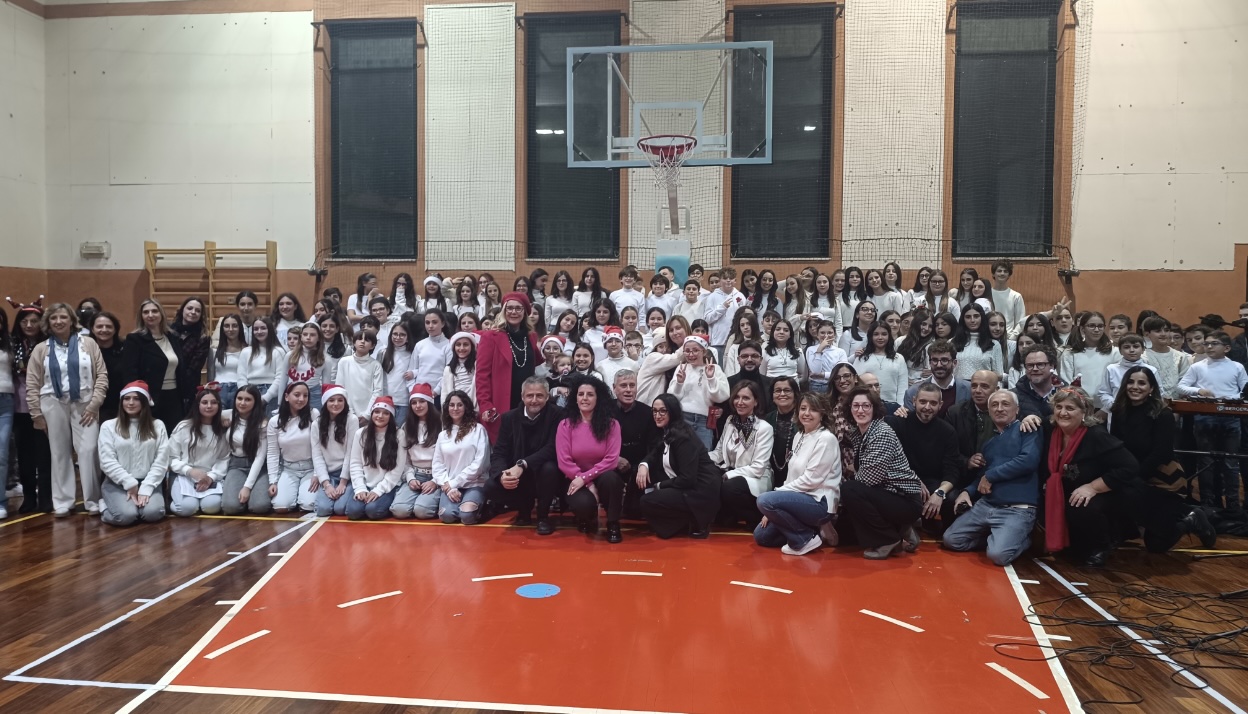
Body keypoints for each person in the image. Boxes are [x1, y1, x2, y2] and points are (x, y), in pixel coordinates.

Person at [1110, 366, 1217, 551]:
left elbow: (1162, 453)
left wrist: (1134, 477)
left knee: (1156, 546)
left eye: (1142, 383)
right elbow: (1117, 447)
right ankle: (1131, 527)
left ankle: (1191, 517)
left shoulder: (1163, 414)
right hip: (1133, 475)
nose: (1135, 387)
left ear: (1151, 388)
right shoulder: (1119, 411)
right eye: (1131, 382)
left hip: (1163, 478)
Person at [941, 390, 1042, 566]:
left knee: (998, 556)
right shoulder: (989, 444)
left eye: (1005, 404)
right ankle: (997, 539)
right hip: (987, 505)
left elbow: (1028, 461)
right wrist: (967, 492)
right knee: (951, 540)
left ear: (1017, 409)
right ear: (989, 411)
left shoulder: (1027, 429)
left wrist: (990, 475)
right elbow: (982, 477)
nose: (999, 408)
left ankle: (1024, 541)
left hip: (1017, 509)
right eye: (994, 405)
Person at [1042, 387, 1140, 567]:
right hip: (1068, 490)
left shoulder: (1096, 435)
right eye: (1058, 407)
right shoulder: (1051, 430)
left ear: (1084, 412)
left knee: (1080, 505)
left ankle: (1102, 546)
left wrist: (1093, 487)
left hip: (1106, 492)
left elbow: (1130, 466)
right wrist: (1029, 417)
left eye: (1070, 408)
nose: (1062, 413)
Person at [27, 303, 108, 516]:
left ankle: (92, 500)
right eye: (53, 318)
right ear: (48, 323)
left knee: (89, 450)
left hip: (86, 403)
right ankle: (63, 501)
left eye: (63, 317)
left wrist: (95, 404)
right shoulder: (41, 348)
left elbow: (101, 375)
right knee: (59, 452)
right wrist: (36, 414)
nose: (58, 321)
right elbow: (32, 383)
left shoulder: (88, 343)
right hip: (52, 403)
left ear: (72, 320)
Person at [838, 387, 925, 559]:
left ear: (874, 409)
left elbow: (869, 479)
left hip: (905, 499)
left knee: (850, 490)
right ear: (850, 409)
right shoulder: (859, 432)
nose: (860, 410)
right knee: (844, 533)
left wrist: (850, 479)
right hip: (888, 494)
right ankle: (901, 528)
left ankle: (888, 539)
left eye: (866, 406)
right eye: (856, 406)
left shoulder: (881, 433)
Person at [753, 392, 840, 556]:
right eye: (803, 408)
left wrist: (775, 497)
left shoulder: (826, 438)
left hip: (820, 502)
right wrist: (773, 508)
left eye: (813, 409)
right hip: (799, 499)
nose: (807, 413)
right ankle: (813, 530)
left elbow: (811, 480)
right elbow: (791, 477)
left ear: (822, 414)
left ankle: (805, 537)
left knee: (764, 500)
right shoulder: (799, 435)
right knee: (762, 536)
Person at [482, 376, 564, 533]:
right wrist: (502, 475)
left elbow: (553, 448)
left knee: (550, 468)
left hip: (545, 475)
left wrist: (523, 464)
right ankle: (523, 511)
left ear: (547, 397)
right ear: (522, 396)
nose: (534, 400)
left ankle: (543, 516)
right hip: (519, 476)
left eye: (539, 396)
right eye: (530, 395)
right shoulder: (508, 418)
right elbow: (499, 452)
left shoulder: (558, 414)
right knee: (491, 487)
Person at [1177, 330, 1248, 511]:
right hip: (1204, 418)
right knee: (1205, 462)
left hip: (1231, 417)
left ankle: (1232, 504)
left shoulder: (1237, 367)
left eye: (1214, 343)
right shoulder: (1197, 367)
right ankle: (1207, 502)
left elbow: (1245, 390)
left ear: (1227, 348)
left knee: (1231, 462)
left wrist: (1234, 398)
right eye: (1206, 343)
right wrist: (1198, 391)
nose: (1209, 346)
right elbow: (1181, 387)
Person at [637, 394, 723, 538]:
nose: (657, 415)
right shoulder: (668, 430)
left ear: (673, 412)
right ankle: (681, 523)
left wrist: (660, 485)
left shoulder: (683, 437)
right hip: (686, 484)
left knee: (647, 501)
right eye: (654, 411)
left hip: (699, 491)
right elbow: (655, 452)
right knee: (641, 482)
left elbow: (688, 479)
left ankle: (694, 521)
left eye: (662, 411)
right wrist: (643, 465)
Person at [886, 383, 962, 536]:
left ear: (940, 405)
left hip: (932, 484)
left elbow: (952, 471)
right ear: (914, 401)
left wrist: (939, 493)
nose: (927, 407)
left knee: (952, 497)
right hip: (902, 478)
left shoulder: (947, 431)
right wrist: (912, 479)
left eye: (933, 403)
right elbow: (888, 461)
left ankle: (945, 534)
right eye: (923, 402)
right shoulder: (898, 423)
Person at [556, 377, 624, 541]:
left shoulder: (612, 425)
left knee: (612, 480)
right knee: (583, 504)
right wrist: (587, 483)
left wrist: (586, 478)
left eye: (590, 394)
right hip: (575, 477)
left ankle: (613, 523)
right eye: (581, 394)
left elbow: (611, 460)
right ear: (575, 398)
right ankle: (587, 517)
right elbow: (564, 462)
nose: (585, 398)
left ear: (598, 398)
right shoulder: (565, 425)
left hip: (601, 476)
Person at [97, 381, 169, 526]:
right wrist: (129, 483)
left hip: (149, 481)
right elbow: (107, 461)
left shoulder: (158, 425)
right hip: (118, 483)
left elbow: (161, 460)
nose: (130, 403)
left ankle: (134, 507)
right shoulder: (108, 426)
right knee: (126, 516)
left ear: (145, 402)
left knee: (153, 513)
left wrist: (147, 487)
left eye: (136, 399)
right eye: (126, 398)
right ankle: (105, 506)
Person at [477, 291, 543, 442]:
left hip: (527, 401)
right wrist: (485, 404)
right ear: (504, 311)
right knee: (504, 445)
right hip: (502, 401)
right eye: (510, 308)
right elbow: (482, 375)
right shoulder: (490, 337)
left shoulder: (531, 337)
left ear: (525, 312)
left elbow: (537, 361)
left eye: (518, 308)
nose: (514, 312)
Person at [710, 381, 774, 528]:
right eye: (737, 397)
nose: (740, 402)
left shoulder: (764, 428)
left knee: (730, 487)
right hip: (731, 472)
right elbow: (719, 453)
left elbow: (758, 467)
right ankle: (729, 514)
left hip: (755, 477)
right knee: (708, 477)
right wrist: (700, 458)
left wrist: (729, 474)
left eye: (746, 398)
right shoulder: (730, 421)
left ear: (756, 401)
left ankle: (756, 518)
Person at [10, 296, 52, 514]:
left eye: (34, 321)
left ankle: (46, 497)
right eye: (24, 321)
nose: (28, 325)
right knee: (24, 456)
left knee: (45, 455)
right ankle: (29, 496)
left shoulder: (49, 346)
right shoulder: (11, 345)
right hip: (19, 407)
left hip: (45, 407)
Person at [122, 298, 190, 432]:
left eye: (154, 311)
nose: (150, 315)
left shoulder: (172, 337)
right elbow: (130, 373)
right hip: (151, 397)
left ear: (161, 314)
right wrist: (137, 398)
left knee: (174, 434)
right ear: (141, 316)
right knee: (152, 435)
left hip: (175, 396)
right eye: (146, 312)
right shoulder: (135, 340)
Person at [168, 386, 230, 517]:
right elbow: (171, 457)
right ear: (197, 405)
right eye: (204, 402)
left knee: (212, 506)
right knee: (187, 508)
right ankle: (172, 500)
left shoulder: (222, 430)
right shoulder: (184, 427)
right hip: (184, 475)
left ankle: (198, 503)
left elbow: (223, 458)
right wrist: (189, 470)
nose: (209, 406)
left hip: (209, 477)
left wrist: (211, 477)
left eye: (213, 402)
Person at [347, 397, 408, 520]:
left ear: (391, 416)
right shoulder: (361, 433)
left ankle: (388, 501)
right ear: (372, 413)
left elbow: (397, 469)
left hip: (387, 486)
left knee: (372, 511)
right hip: (366, 483)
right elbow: (355, 463)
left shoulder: (399, 434)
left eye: (386, 413)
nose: (380, 416)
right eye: (377, 412)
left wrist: (378, 491)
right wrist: (360, 488)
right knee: (353, 512)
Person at [266, 381, 320, 513]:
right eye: (297, 395)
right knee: (280, 506)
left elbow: (320, 447)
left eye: (305, 395)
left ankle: (301, 496)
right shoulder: (275, 421)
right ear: (286, 397)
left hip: (311, 468)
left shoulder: (314, 414)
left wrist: (317, 474)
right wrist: (273, 481)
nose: (301, 399)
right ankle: (294, 495)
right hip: (289, 469)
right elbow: (272, 453)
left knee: (308, 505)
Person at [668, 335, 729, 449]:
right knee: (680, 453)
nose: (691, 354)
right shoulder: (681, 368)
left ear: (704, 351)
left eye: (695, 350)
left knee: (703, 455)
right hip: (682, 418)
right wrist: (679, 383)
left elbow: (721, 397)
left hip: (703, 421)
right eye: (687, 351)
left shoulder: (714, 368)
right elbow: (672, 398)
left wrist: (711, 378)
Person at [611, 370, 656, 520]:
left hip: (639, 465)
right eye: (623, 385)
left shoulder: (648, 413)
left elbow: (653, 446)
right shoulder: (603, 410)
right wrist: (615, 459)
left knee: (635, 513)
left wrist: (644, 465)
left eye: (632, 385)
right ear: (614, 388)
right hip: (610, 463)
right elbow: (595, 443)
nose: (629, 390)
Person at [312, 384, 359, 517]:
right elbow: (317, 455)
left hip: (348, 474)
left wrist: (343, 482)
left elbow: (351, 453)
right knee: (323, 510)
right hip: (329, 475)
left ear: (345, 402)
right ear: (325, 402)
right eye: (331, 400)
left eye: (340, 400)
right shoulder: (317, 424)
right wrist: (326, 484)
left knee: (340, 509)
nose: (336, 404)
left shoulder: (352, 420)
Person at [223, 385, 269, 515]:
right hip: (236, 465)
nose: (242, 403)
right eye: (239, 398)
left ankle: (252, 496)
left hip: (258, 466)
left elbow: (260, 457)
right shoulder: (230, 415)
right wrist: (222, 421)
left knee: (260, 506)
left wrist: (247, 487)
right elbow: (208, 412)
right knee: (230, 507)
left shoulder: (263, 424)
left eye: (248, 399)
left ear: (256, 402)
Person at [903, 339, 970, 414]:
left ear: (954, 363)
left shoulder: (968, 390)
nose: (939, 365)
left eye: (944, 360)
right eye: (935, 360)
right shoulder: (913, 392)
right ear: (930, 363)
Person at [853, 321, 908, 406]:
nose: (880, 337)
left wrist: (900, 406)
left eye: (884, 334)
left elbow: (902, 386)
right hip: (867, 405)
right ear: (870, 336)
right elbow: (856, 384)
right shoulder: (862, 358)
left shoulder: (899, 358)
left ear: (889, 336)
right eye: (876, 334)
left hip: (892, 405)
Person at [336, 331, 385, 421]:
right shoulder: (344, 362)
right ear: (354, 343)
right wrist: (349, 411)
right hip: (346, 411)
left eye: (367, 340)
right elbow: (340, 388)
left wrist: (367, 415)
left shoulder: (375, 365)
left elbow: (378, 391)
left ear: (372, 346)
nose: (362, 342)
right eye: (359, 339)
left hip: (367, 413)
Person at [87, 312, 125, 423]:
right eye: (99, 326)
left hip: (120, 405)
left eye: (108, 326)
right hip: (92, 406)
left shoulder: (126, 349)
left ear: (115, 329)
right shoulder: (84, 350)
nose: (104, 330)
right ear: (92, 329)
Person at [703, 267, 749, 357]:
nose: (728, 280)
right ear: (720, 280)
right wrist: (722, 308)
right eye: (725, 278)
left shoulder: (740, 296)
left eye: (731, 278)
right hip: (718, 342)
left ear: (735, 280)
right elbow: (707, 319)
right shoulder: (712, 297)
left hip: (737, 341)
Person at [1014, 344, 1062, 421]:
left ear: (1052, 366)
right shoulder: (1013, 396)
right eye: (1030, 365)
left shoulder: (1067, 393)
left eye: (1040, 364)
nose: (1035, 369)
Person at [989, 260, 1026, 339]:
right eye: (999, 271)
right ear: (993, 274)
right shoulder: (987, 294)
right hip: (988, 337)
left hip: (1009, 338)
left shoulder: (1016, 296)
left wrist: (1013, 336)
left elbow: (1020, 321)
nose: (1002, 273)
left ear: (1009, 275)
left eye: (1005, 271)